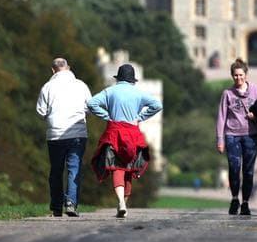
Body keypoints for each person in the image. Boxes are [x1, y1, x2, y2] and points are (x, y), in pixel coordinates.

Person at [86, 63, 163, 218]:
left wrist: (107, 116)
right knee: (128, 170)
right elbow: (157, 105)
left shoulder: (110, 91)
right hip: (132, 134)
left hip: (114, 133)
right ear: (132, 80)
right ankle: (123, 204)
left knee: (117, 168)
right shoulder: (138, 93)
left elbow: (91, 103)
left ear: (118, 78)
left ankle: (121, 202)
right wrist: (140, 117)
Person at [35, 57, 92, 217]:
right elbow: (90, 107)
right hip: (77, 133)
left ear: (53, 70)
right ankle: (71, 203)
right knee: (74, 168)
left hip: (55, 134)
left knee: (56, 170)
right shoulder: (81, 85)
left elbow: (41, 111)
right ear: (69, 68)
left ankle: (56, 207)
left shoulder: (47, 87)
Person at [215, 57, 257, 216]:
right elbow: (221, 117)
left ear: (246, 75)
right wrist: (220, 139)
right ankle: (234, 199)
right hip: (232, 135)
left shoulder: (256, 91)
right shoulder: (227, 94)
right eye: (235, 75)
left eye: (241, 75)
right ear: (232, 76)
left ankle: (245, 203)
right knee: (234, 168)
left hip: (251, 136)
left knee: (248, 171)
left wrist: (256, 116)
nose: (238, 78)